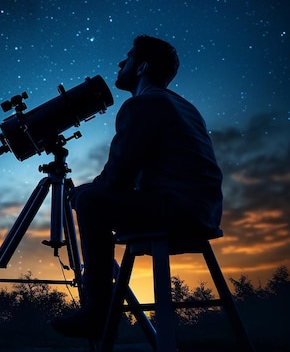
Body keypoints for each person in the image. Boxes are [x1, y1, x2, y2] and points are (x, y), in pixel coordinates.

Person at [50, 35, 223, 339]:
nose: (120, 63)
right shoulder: (182, 105)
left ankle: (97, 314)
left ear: (141, 67)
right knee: (93, 195)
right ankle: (99, 308)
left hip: (176, 209)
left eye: (128, 58)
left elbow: (119, 176)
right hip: (203, 212)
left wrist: (83, 194)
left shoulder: (143, 104)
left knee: (90, 201)